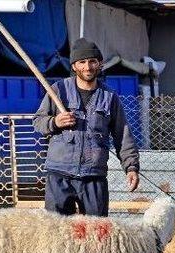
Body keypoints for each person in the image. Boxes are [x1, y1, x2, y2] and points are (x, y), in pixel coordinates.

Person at [33, 38, 139, 217]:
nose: (87, 67)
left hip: (93, 177)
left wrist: (131, 167)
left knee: (97, 233)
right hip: (60, 175)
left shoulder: (109, 97)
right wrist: (55, 122)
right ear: (74, 66)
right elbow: (38, 122)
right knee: (58, 233)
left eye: (92, 61)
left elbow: (123, 135)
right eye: (82, 62)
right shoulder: (58, 90)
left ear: (99, 64)